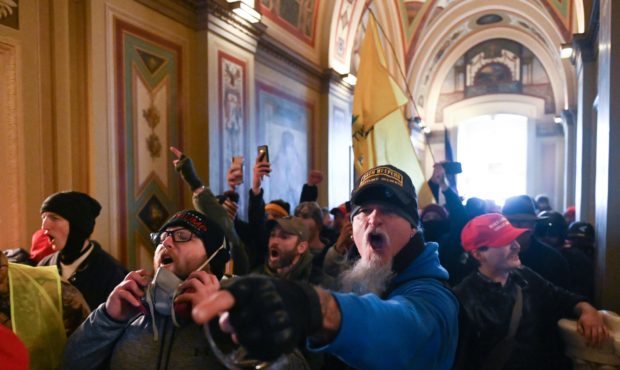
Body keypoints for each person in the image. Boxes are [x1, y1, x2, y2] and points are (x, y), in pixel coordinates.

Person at [192, 165, 459, 370]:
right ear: (352, 231)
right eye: (364, 211)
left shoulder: (434, 297)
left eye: (390, 209)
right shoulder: (358, 282)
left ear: (414, 228)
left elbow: (401, 329)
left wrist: (313, 307)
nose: (374, 218)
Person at [61, 210, 230, 369]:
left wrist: (217, 324)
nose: (166, 242)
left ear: (213, 258)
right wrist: (108, 318)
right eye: (162, 237)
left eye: (183, 236)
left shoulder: (237, 311)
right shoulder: (130, 306)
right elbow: (70, 365)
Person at [454, 213, 608, 370]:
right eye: (505, 242)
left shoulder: (524, 276)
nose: (517, 246)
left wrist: (587, 309)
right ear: (478, 254)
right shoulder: (463, 300)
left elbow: (561, 297)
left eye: (514, 239)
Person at [38, 191, 127, 310]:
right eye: (43, 217)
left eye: (54, 218)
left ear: (77, 226)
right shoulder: (44, 266)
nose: (44, 226)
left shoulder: (112, 274)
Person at [502, 195, 570, 289]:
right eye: (511, 221)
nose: (516, 227)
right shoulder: (490, 256)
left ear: (533, 226)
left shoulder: (552, 260)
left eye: (522, 222)